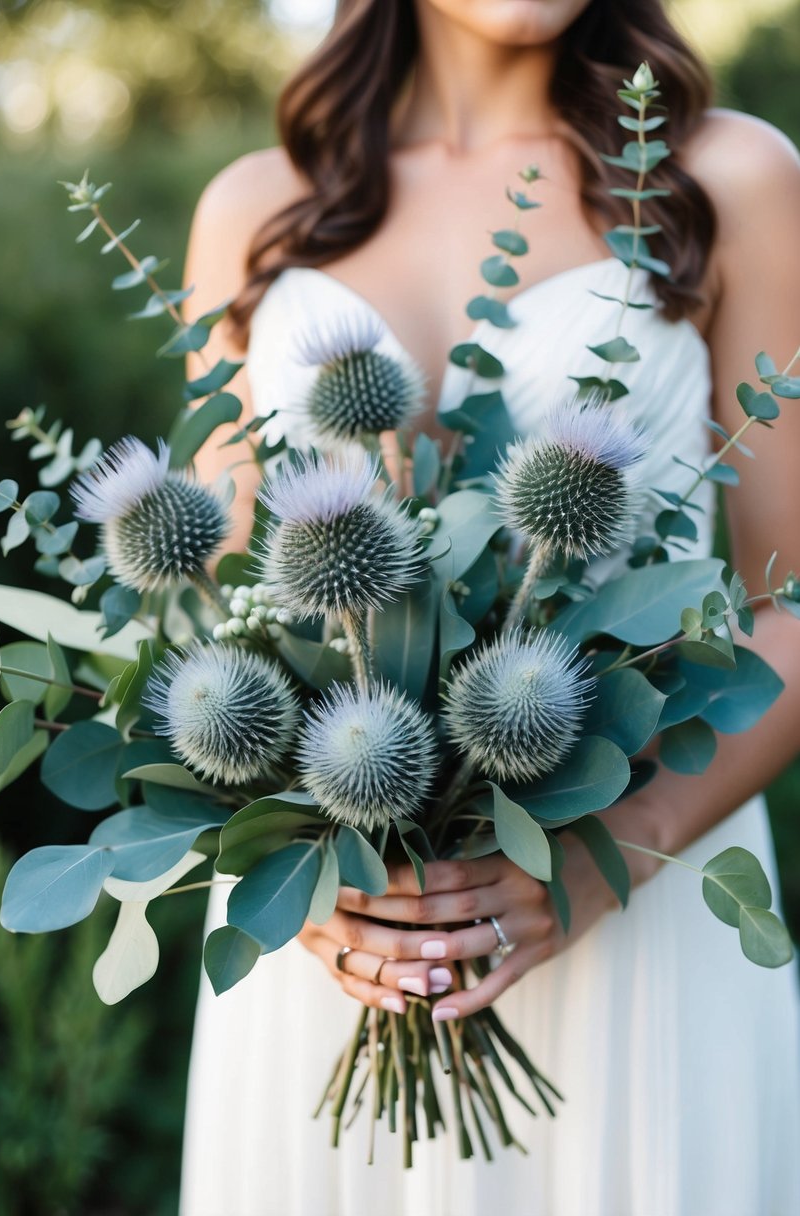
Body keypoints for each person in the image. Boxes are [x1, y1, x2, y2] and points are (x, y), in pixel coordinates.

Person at [179, 2, 800, 1213]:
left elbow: (799, 597)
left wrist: (609, 853)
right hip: (336, 957)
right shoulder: (255, 207)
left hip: (648, 938)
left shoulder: (727, 177)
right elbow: (221, 620)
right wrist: (289, 885)